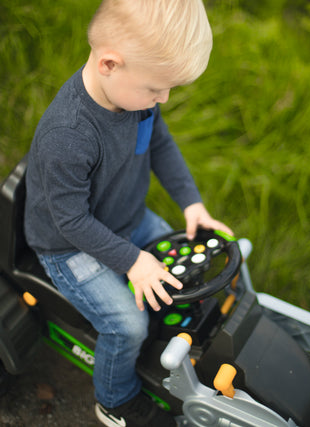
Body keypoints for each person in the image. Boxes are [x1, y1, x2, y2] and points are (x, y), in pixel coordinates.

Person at [24, 1, 233, 425]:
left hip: (126, 219)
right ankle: (115, 400)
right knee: (128, 324)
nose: (163, 99)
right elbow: (72, 221)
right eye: (156, 89)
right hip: (68, 246)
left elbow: (161, 145)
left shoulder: (135, 98)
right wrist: (133, 260)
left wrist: (192, 203)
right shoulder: (68, 135)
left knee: (184, 270)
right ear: (109, 65)